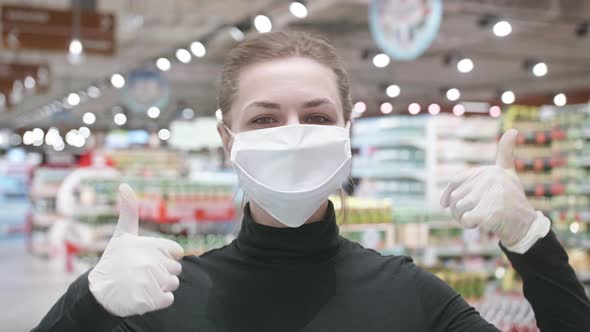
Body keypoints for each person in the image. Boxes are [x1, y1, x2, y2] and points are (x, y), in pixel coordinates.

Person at [33, 31, 590, 332]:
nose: (293, 136)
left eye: (318, 117)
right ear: (229, 140)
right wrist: (87, 303)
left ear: (347, 132)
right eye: (265, 118)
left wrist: (530, 238)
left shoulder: (411, 297)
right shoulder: (165, 302)